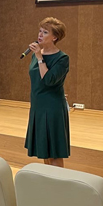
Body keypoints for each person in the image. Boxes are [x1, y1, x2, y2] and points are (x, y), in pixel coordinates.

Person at [25, 17, 70, 167]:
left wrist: (39, 57)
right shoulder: (36, 54)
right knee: (44, 150)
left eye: (45, 32)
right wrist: (38, 55)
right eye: (40, 31)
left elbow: (49, 80)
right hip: (38, 105)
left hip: (52, 107)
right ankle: (47, 179)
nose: (40, 35)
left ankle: (57, 180)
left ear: (54, 37)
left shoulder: (62, 58)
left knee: (54, 152)